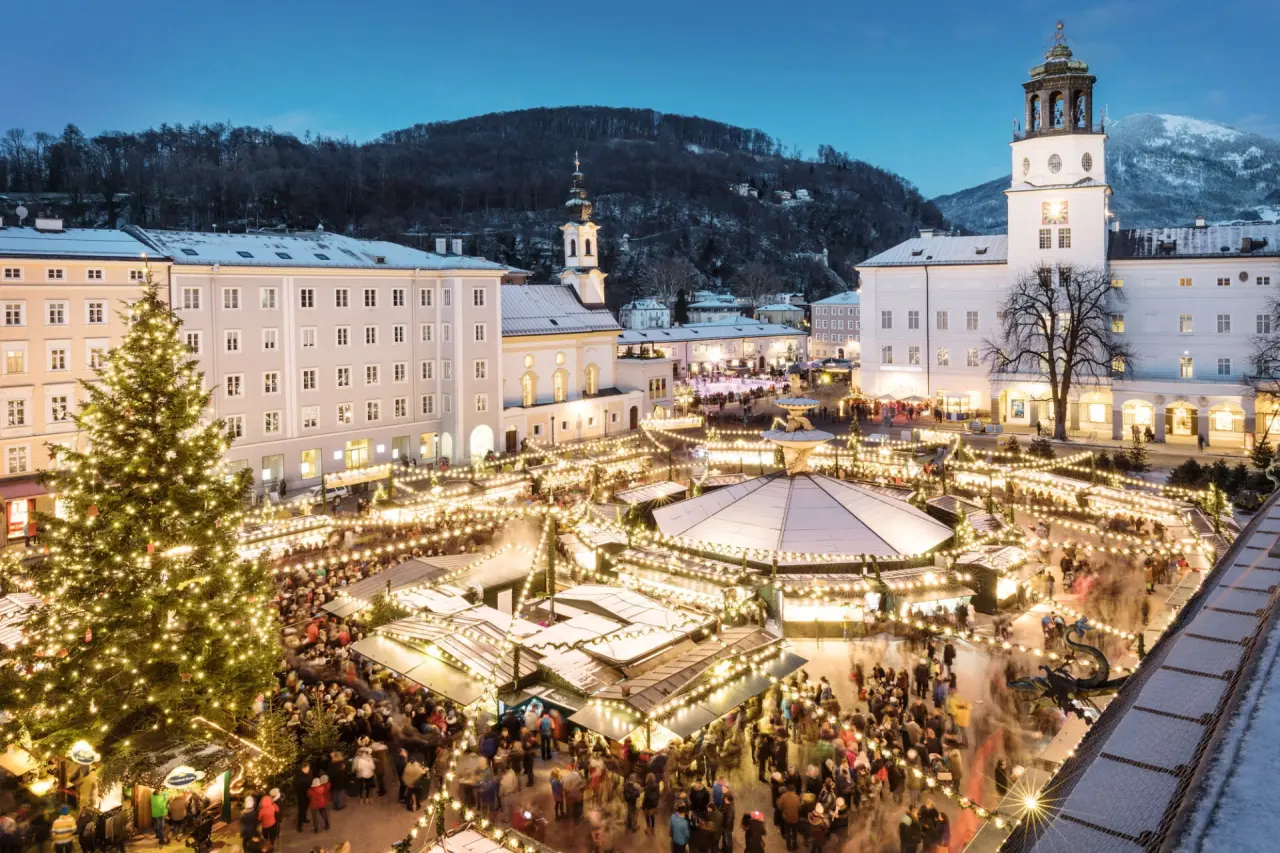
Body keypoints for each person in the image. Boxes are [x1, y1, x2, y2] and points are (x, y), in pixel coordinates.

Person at [776, 785, 801, 851]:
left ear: (787, 790)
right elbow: (799, 808)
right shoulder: (797, 797)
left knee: (787, 832)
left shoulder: (783, 797)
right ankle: (795, 846)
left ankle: (788, 847)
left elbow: (779, 807)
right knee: (795, 833)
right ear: (794, 790)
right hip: (795, 818)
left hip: (786, 818)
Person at [294, 760, 314, 831]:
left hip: (307, 794)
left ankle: (304, 818)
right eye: (307, 769)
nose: (308, 770)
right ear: (303, 769)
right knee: (301, 810)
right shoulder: (299, 776)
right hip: (301, 795)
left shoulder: (309, 774)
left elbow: (311, 781)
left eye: (308, 769)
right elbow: (296, 786)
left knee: (306, 807)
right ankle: (299, 826)